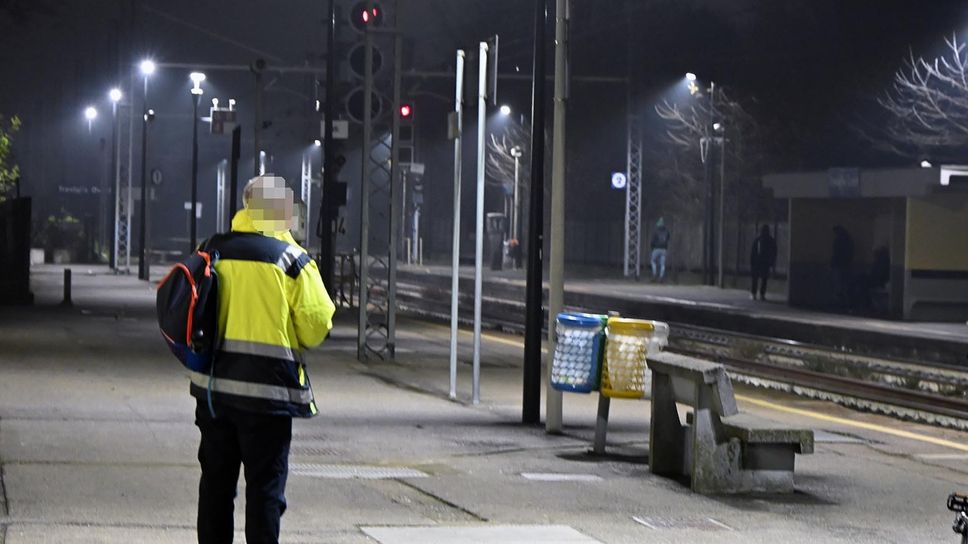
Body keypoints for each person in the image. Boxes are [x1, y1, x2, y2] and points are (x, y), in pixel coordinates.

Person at [191, 175, 336, 544]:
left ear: (245, 207)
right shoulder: (291, 260)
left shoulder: (211, 249)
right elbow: (317, 325)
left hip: (214, 394)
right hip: (268, 399)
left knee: (215, 489)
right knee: (265, 492)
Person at [749, 224, 777, 301]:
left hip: (757, 262)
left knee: (755, 278)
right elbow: (774, 252)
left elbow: (753, 252)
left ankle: (754, 293)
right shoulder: (771, 240)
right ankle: (762, 294)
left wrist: (752, 262)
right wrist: (772, 262)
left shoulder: (758, 240)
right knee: (764, 279)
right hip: (765, 262)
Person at [830, 225, 854, 308]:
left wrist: (833, 262)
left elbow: (835, 253)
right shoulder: (848, 240)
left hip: (838, 264)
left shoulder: (838, 240)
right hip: (846, 264)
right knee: (844, 284)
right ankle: (845, 302)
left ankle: (839, 302)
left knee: (838, 284)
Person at [650, 218, 671, 282]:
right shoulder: (667, 231)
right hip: (664, 249)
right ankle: (661, 277)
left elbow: (652, 241)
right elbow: (668, 239)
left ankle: (654, 275)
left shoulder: (655, 231)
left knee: (653, 261)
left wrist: (652, 248)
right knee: (662, 264)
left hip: (656, 248)